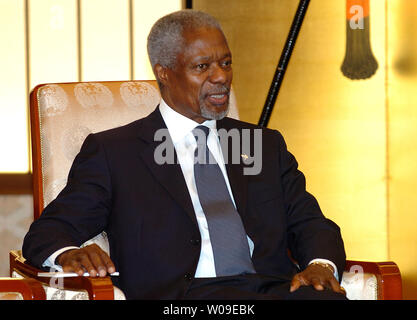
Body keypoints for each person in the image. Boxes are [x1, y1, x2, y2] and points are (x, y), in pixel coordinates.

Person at [23, 9, 347, 300]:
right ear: (164, 73)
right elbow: (48, 231)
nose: (221, 76)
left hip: (272, 288)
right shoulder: (115, 152)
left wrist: (321, 265)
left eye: (226, 63)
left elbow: (311, 223)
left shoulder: (262, 144)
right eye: (202, 67)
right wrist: (68, 253)